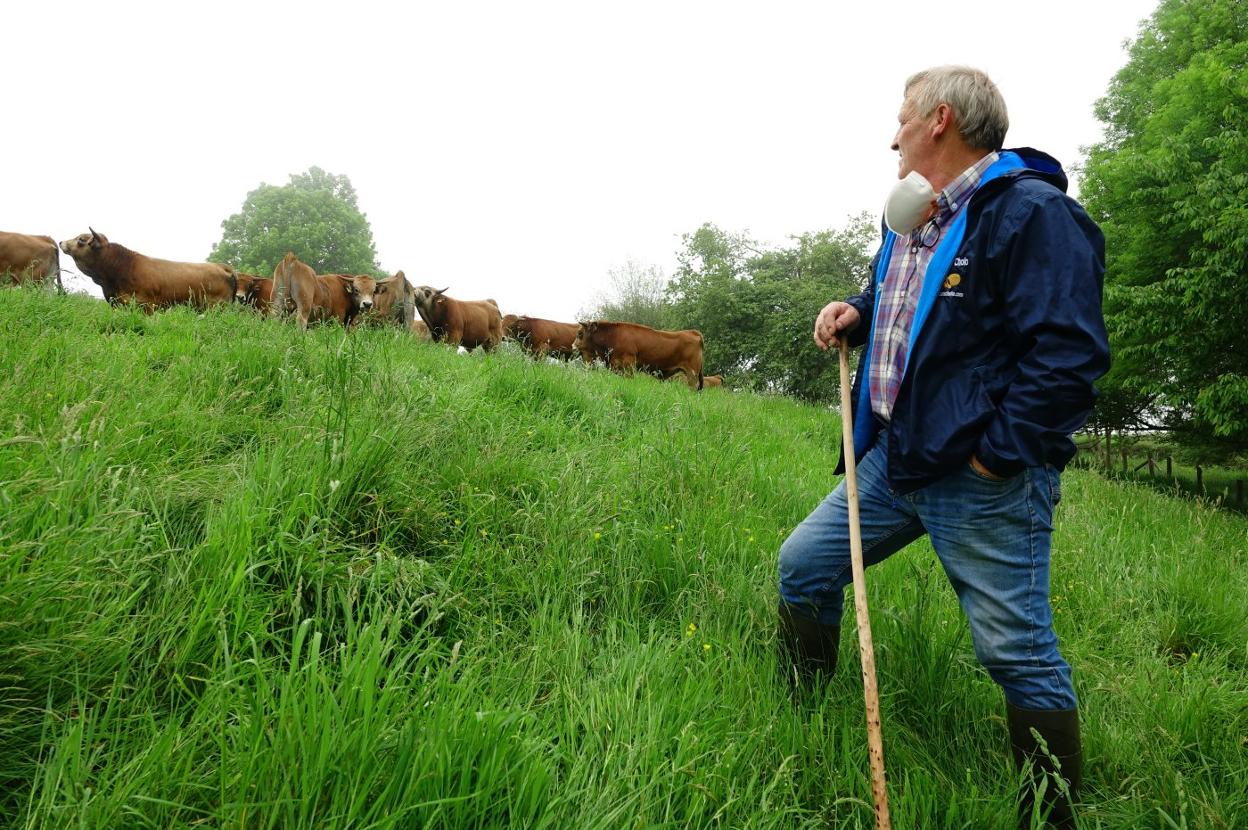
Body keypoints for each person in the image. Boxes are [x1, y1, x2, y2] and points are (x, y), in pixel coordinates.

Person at [776, 65, 1109, 829]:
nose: (891, 136)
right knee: (803, 567)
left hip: (978, 475)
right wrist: (853, 310)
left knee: (1015, 649)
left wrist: (995, 456)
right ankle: (799, 716)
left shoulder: (1033, 216)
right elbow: (908, 305)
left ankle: (1049, 817)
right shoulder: (912, 214)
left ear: (940, 120)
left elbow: (1067, 358)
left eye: (902, 118)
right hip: (895, 459)